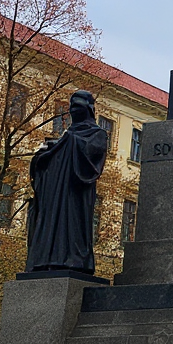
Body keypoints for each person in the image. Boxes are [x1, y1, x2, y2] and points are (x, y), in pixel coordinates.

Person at [25, 90, 108, 274]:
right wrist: (46, 153)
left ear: (89, 109)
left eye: (78, 105)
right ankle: (45, 258)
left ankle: (73, 260)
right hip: (53, 198)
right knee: (50, 224)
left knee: (73, 228)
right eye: (72, 106)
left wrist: (63, 144)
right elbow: (40, 165)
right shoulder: (65, 137)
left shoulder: (97, 134)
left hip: (75, 197)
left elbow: (91, 162)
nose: (73, 110)